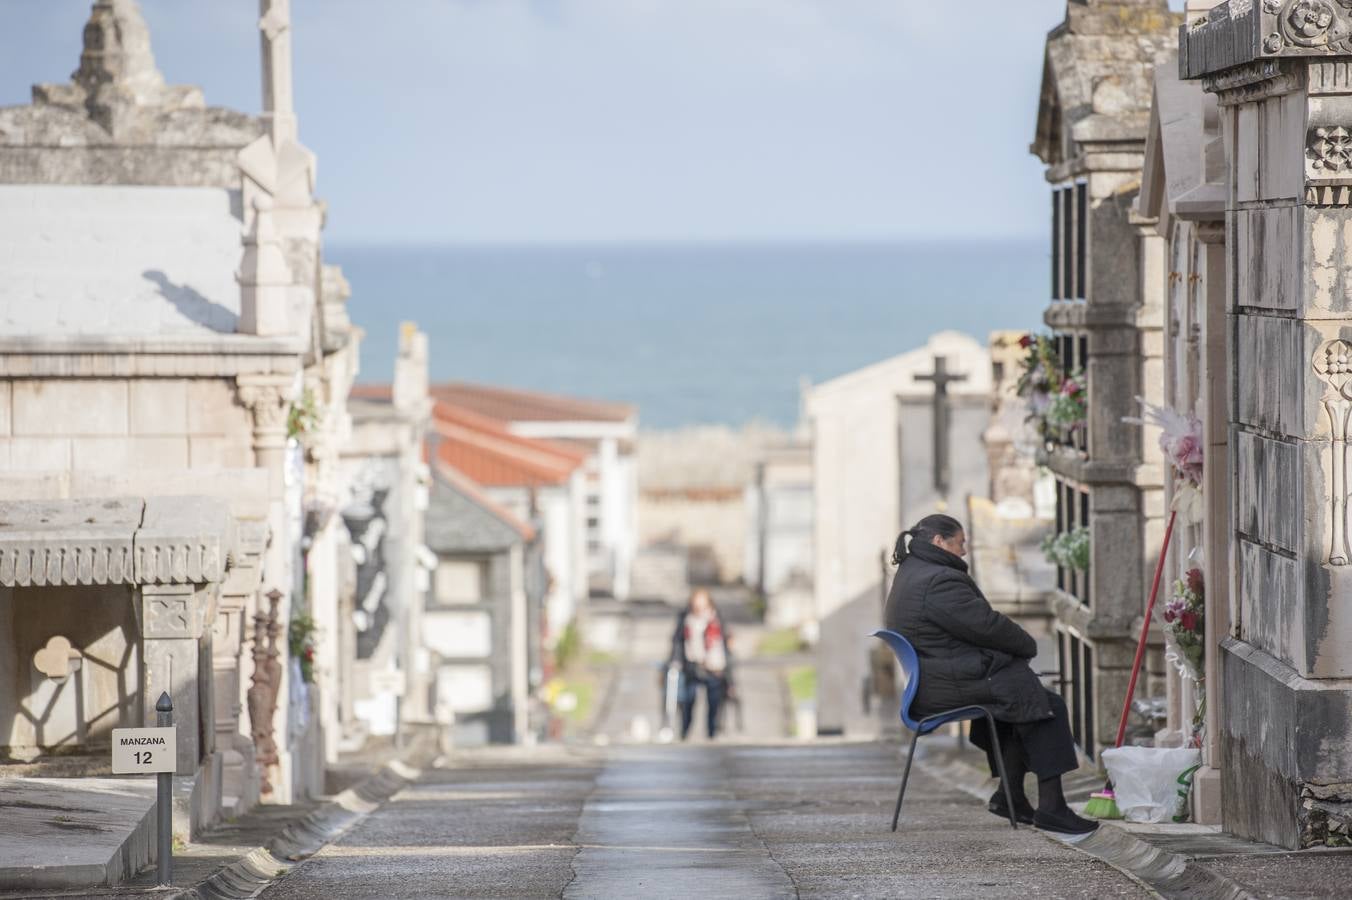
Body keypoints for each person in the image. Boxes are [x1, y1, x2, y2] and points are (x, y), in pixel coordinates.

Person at [883, 513, 1098, 836]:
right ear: (939, 542)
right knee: (1047, 706)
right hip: (943, 685)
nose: (964, 551)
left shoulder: (913, 571)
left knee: (1015, 702)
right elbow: (985, 625)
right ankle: (1052, 807)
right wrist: (1025, 644)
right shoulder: (938, 581)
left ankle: (1008, 796)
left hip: (937, 678)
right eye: (960, 543)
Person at [668, 588, 731, 740]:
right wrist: (675, 660)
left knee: (714, 702)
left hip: (714, 667)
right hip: (692, 665)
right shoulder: (685, 618)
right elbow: (677, 641)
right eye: (696, 606)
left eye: (702, 606)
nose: (699, 609)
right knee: (688, 701)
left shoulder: (716, 618)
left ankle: (711, 733)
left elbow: (723, 642)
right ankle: (684, 731)